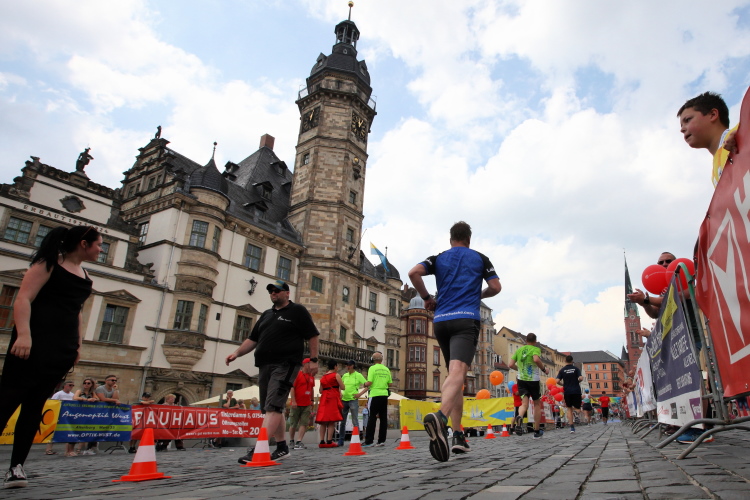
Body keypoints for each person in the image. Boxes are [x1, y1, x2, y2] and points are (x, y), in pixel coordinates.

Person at [0, 225, 101, 488]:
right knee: (7, 402)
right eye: (99, 244)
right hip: (33, 343)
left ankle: (16, 467)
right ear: (83, 244)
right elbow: (23, 299)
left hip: (61, 347)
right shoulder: (48, 264)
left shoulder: (84, 273)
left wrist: (78, 345)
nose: (100, 249)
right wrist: (24, 335)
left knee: (34, 409)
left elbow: (77, 312)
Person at [408, 221, 501, 462]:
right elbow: (495, 287)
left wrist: (427, 298)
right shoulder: (480, 258)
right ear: (469, 239)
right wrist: (480, 294)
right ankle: (440, 418)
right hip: (465, 319)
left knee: (454, 376)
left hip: (441, 321)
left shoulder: (438, 258)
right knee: (459, 372)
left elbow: (413, 273)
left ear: (451, 239)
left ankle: (458, 435)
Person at [226, 279, 319, 464]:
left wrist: (314, 360)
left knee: (273, 406)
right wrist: (237, 353)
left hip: (286, 364)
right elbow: (253, 339)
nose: (273, 293)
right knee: (272, 408)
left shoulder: (297, 311)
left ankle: (259, 448)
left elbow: (313, 334)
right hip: (265, 365)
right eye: (271, 291)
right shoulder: (267, 314)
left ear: (287, 293)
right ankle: (282, 447)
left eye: (277, 290)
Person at [677, 91, 738, 188]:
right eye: (681, 125)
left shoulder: (741, 132)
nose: (682, 129)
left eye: (688, 120)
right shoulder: (714, 174)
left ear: (713, 114)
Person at [508, 333, 549, 439]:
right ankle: (536, 431)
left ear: (526, 340)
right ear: (535, 341)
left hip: (521, 380)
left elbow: (510, 364)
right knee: (536, 404)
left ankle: (520, 416)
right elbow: (536, 359)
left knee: (524, 404)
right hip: (533, 380)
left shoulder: (519, 350)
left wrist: (519, 369)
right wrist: (544, 369)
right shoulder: (535, 349)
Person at [359, 352, 392, 447]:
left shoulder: (372, 368)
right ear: (381, 360)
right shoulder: (386, 369)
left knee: (372, 417)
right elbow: (390, 384)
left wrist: (364, 384)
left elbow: (369, 382)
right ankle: (381, 440)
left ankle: (369, 441)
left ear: (373, 360)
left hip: (374, 394)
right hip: (384, 395)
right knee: (383, 418)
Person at [315, 360, 344, 447]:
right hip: (332, 397)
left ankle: (322, 441)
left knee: (323, 421)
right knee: (332, 420)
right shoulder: (336, 375)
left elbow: (320, 390)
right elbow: (342, 387)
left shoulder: (323, 377)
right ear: (335, 366)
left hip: (324, 398)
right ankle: (329, 440)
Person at [337, 359, 366, 447]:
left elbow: (367, 385)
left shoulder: (358, 375)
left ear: (353, 366)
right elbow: (340, 385)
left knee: (355, 421)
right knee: (342, 421)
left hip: (353, 399)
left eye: (349, 365)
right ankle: (341, 440)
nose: (347, 367)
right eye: (346, 365)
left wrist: (359, 394)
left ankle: (356, 439)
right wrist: (340, 393)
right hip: (344, 399)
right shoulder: (345, 375)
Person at [289, 358, 316, 450]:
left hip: (307, 404)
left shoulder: (311, 377)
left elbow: (311, 388)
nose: (311, 366)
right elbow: (292, 388)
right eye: (310, 364)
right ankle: (291, 440)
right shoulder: (297, 374)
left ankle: (299, 441)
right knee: (293, 423)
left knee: (304, 423)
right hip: (296, 403)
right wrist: (293, 401)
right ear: (305, 364)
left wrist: (312, 400)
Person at [44, 381, 76, 456]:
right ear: (64, 385)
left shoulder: (72, 395)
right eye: (70, 385)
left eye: (72, 385)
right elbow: (52, 404)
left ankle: (67, 451)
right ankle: (48, 449)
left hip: (68, 416)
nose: (71, 387)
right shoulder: (58, 394)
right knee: (54, 432)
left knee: (68, 432)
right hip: (58, 415)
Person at [556, 355, 583, 433]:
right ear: (572, 361)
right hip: (576, 390)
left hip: (567, 391)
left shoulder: (562, 370)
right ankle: (576, 414)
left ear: (565, 361)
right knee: (578, 408)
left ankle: (572, 428)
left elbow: (557, 381)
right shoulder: (576, 369)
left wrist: (563, 385)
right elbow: (581, 378)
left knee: (569, 408)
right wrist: (577, 382)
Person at [72, 377, 98, 455]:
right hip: (78, 412)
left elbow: (97, 399)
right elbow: (75, 397)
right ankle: (70, 450)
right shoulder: (80, 391)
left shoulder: (92, 393)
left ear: (91, 385)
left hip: (87, 413)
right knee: (74, 431)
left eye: (88, 383)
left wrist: (94, 399)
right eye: (85, 383)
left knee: (84, 431)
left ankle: (79, 449)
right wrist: (86, 400)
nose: (86, 384)